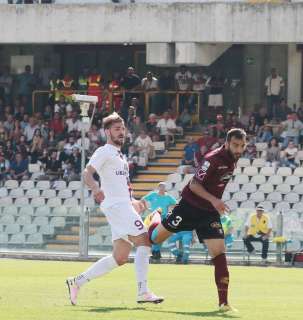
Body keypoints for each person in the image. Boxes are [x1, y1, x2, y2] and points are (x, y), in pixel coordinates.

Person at [66, 113, 163, 306]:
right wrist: (95, 188)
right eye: (117, 129)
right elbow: (87, 172)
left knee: (120, 257)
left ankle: (76, 282)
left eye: (123, 129)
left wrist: (134, 202)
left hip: (122, 205)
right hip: (116, 206)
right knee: (144, 240)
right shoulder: (104, 151)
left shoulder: (120, 155)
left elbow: (120, 185)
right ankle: (143, 291)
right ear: (107, 131)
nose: (121, 132)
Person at [147, 128, 246, 312]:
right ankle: (155, 217)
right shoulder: (213, 159)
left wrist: (213, 203)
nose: (239, 149)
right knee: (155, 239)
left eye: (242, 146)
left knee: (219, 252)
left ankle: (223, 303)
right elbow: (193, 185)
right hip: (188, 207)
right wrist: (215, 200)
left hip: (208, 213)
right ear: (227, 143)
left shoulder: (233, 159)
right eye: (235, 145)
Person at [142, 182, 178, 260]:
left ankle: (156, 252)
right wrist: (146, 208)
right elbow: (143, 199)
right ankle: (156, 252)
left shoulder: (168, 197)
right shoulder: (153, 195)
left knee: (158, 235)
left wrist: (170, 210)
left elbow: (176, 204)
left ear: (165, 188)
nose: (162, 188)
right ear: (158, 187)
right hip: (154, 217)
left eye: (164, 187)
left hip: (163, 217)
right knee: (153, 235)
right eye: (161, 186)